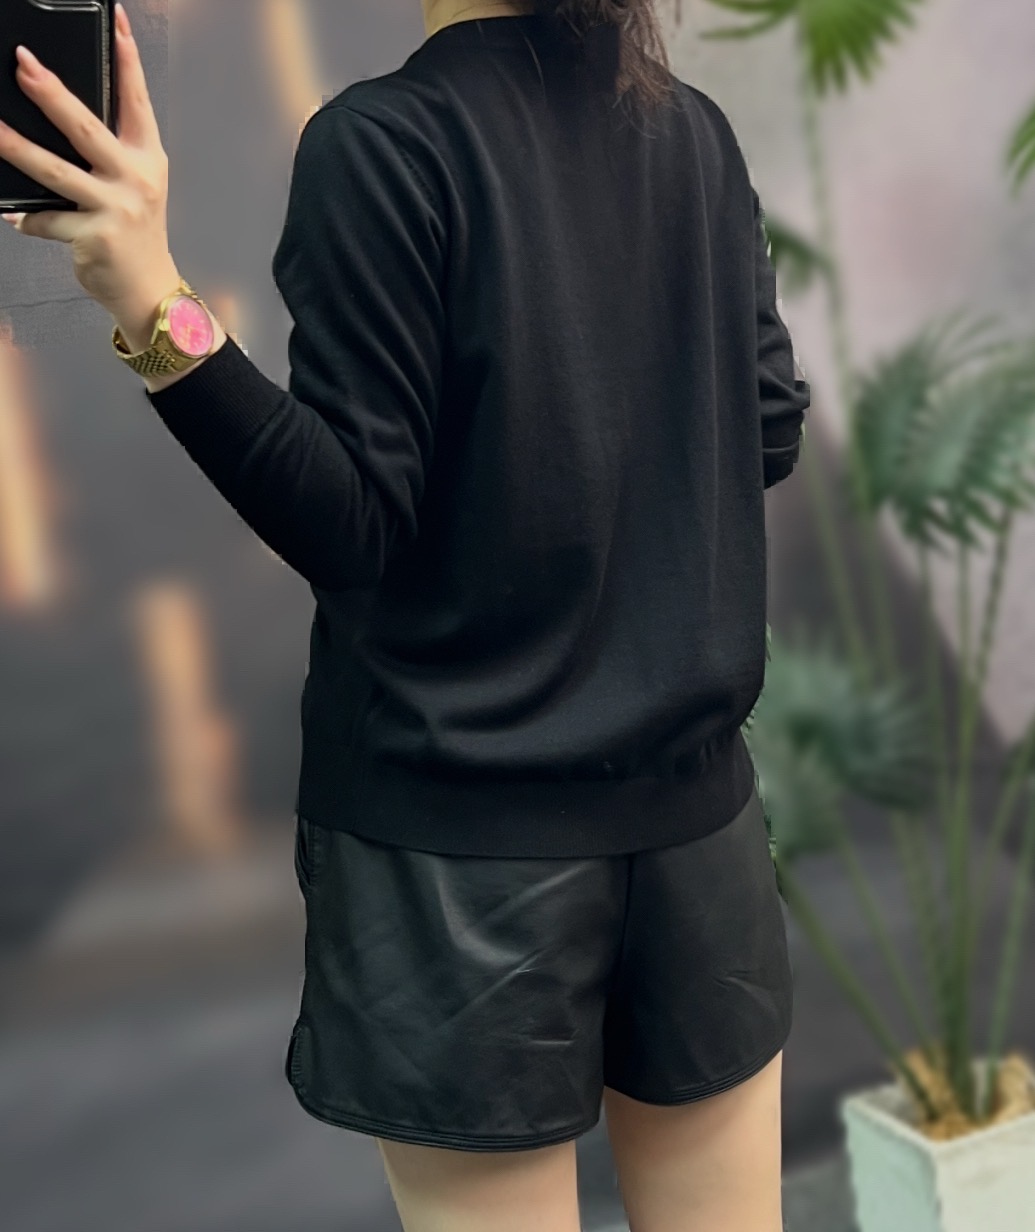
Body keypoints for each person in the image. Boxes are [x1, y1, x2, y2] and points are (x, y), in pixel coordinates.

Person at [1, 0, 810, 1228]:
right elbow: (770, 425)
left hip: (462, 869)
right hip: (701, 839)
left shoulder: (383, 143)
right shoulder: (692, 132)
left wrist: (151, 301)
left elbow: (350, 526)